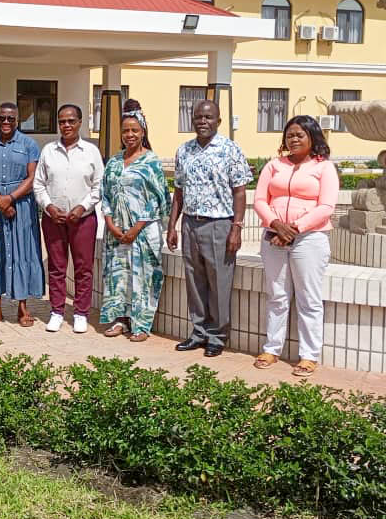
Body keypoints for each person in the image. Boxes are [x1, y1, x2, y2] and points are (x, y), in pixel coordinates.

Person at [252, 115, 339, 378]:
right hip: (274, 236)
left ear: (313, 137)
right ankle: (272, 348)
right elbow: (259, 200)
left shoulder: (324, 168)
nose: (294, 138)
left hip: (309, 240)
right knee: (277, 295)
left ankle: (309, 355)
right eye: (290, 134)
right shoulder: (273, 166)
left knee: (308, 299)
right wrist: (277, 225)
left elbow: (326, 207)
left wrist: (294, 229)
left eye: (300, 134)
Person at [166, 99, 252, 357]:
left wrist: (236, 228)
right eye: (198, 117)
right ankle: (198, 332)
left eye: (208, 117)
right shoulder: (184, 151)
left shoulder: (230, 149)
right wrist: (172, 226)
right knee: (194, 281)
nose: (203, 121)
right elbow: (178, 192)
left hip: (219, 224)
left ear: (218, 121)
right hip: (191, 222)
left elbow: (240, 192)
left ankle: (217, 335)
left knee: (219, 283)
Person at [99, 99, 170, 342]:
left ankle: (141, 325)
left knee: (142, 277)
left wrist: (136, 229)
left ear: (143, 132)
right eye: (126, 130)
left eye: (134, 130)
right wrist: (110, 223)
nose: (130, 134)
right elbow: (105, 194)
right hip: (116, 231)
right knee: (119, 276)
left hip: (143, 232)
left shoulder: (151, 161)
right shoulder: (114, 161)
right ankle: (120, 319)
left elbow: (159, 199)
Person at [33, 104, 103, 334]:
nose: (66, 125)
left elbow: (99, 186)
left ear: (80, 122)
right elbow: (39, 184)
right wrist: (49, 206)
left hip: (83, 220)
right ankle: (56, 311)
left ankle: (81, 313)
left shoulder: (91, 151)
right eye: (62, 121)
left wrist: (82, 207)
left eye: (71, 121)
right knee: (56, 267)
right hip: (54, 219)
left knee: (83, 268)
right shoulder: (48, 151)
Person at [0, 101, 45, 326]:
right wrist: (0, 201)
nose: (6, 122)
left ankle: (23, 308)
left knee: (22, 252)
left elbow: (32, 178)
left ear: (17, 120)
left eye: (11, 119)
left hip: (21, 207)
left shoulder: (29, 145)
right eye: (2, 118)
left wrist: (10, 198)